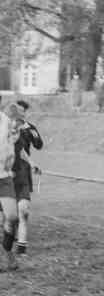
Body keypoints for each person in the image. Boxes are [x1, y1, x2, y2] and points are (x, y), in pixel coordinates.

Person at [12, 100, 43, 256]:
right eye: (18, 110)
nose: (21, 113)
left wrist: (32, 163)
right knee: (9, 211)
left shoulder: (29, 128)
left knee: (23, 210)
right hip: (6, 170)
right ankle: (10, 234)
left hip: (23, 170)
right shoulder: (6, 126)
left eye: (23, 111)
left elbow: (38, 145)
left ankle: (21, 246)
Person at [0, 107, 21, 270]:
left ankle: (7, 251)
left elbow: (10, 143)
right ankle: (6, 257)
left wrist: (10, 161)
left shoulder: (6, 121)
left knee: (12, 217)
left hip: (4, 177)